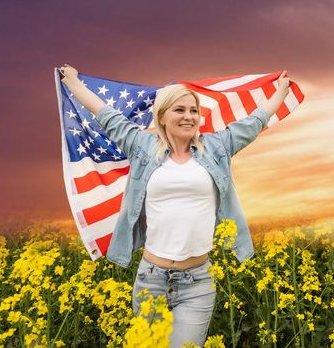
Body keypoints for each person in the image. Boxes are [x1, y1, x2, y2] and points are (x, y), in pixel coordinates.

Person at [59, 64, 291, 347]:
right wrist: (73, 83)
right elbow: (107, 115)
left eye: (193, 111)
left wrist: (280, 92)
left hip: (198, 283)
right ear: (162, 117)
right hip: (151, 280)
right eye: (179, 110)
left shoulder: (217, 147)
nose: (188, 116)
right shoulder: (141, 145)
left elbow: (255, 122)